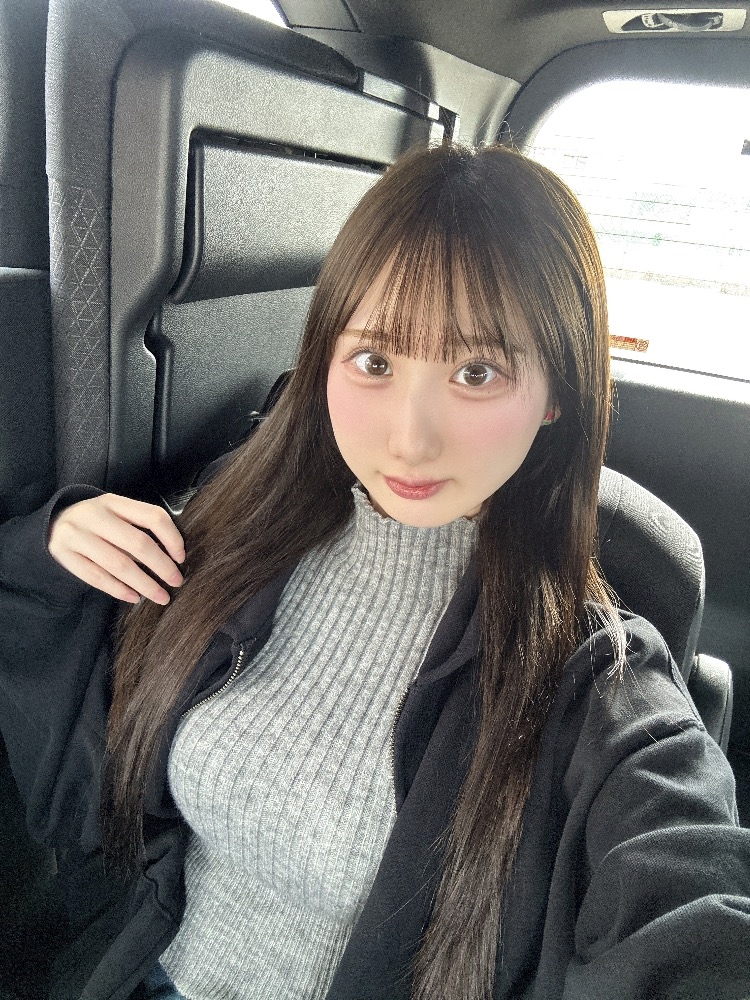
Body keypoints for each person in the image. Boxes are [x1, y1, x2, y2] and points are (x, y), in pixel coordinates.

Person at [1, 141, 749, 1000]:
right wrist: (51, 545)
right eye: (376, 362)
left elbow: (689, 898)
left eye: (476, 371)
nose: (409, 437)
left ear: (557, 393)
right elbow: (82, 767)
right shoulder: (242, 527)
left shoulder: (597, 680)